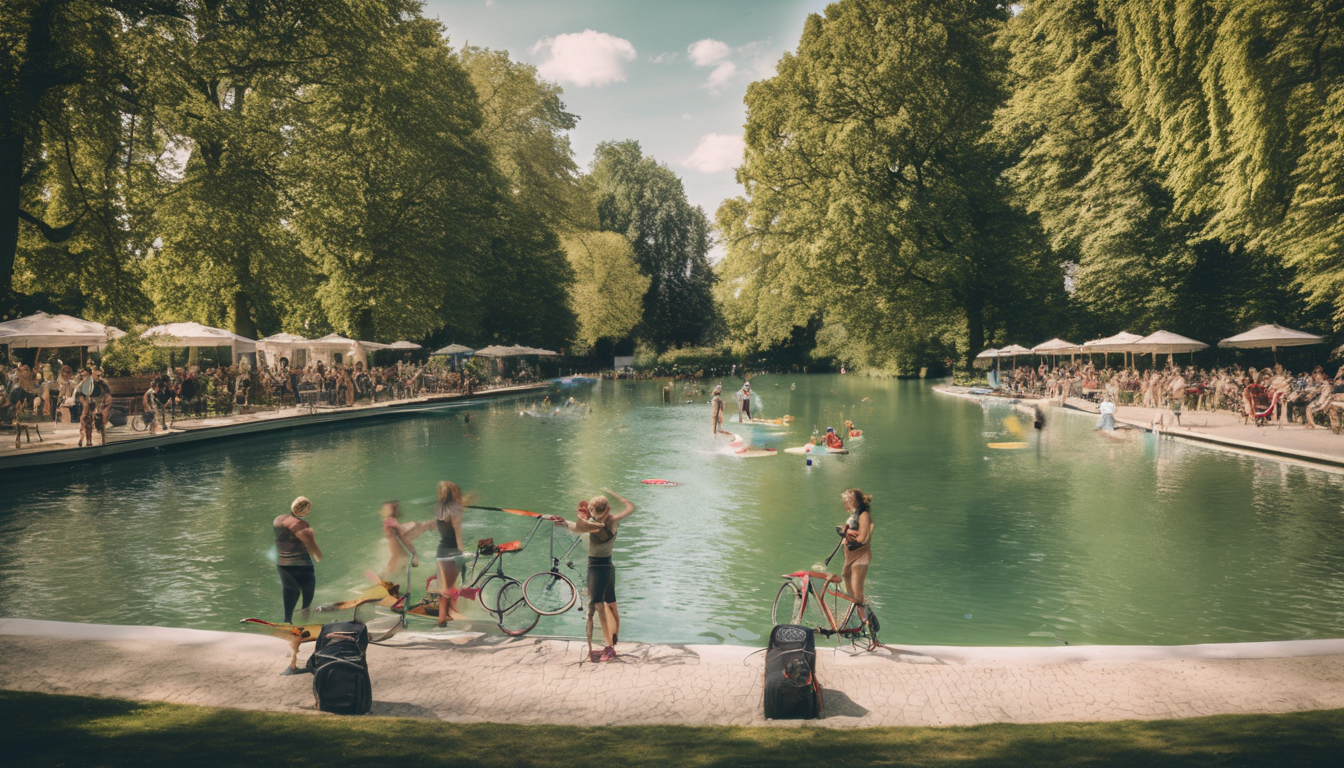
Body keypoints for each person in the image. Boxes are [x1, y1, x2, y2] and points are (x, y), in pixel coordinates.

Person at [550, 488, 636, 662]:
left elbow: (580, 527)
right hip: (609, 567)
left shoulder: (596, 524)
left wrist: (566, 522)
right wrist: (618, 496)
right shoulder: (613, 519)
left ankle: (609, 647)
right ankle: (613, 641)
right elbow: (630, 508)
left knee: (598, 606)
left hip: (596, 569)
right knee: (611, 605)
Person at [274, 496, 323, 624]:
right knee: (307, 597)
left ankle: (287, 621)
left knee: (290, 591)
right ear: (306, 511)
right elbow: (314, 551)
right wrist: (317, 554)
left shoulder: (278, 520)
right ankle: (305, 622)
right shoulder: (301, 525)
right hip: (302, 566)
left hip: (283, 565)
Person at [837, 488, 873, 622]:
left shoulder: (864, 515)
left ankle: (865, 623)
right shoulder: (855, 515)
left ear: (854, 501)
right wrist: (845, 533)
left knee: (857, 593)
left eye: (847, 501)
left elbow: (863, 538)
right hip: (850, 557)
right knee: (848, 585)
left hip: (860, 557)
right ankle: (853, 615)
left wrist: (849, 536)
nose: (845, 504)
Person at [433, 481, 467, 626]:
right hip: (452, 552)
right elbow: (457, 531)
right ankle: (453, 613)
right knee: (453, 587)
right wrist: (461, 552)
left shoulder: (438, 507)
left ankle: (442, 620)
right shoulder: (456, 508)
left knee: (447, 590)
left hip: (441, 552)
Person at [379, 499, 435, 581]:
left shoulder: (391, 522)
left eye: (386, 509)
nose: (383, 511)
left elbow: (403, 538)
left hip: (406, 536)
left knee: (394, 561)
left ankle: (383, 576)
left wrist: (414, 555)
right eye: (383, 509)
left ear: (392, 511)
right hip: (403, 538)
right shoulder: (389, 521)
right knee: (400, 563)